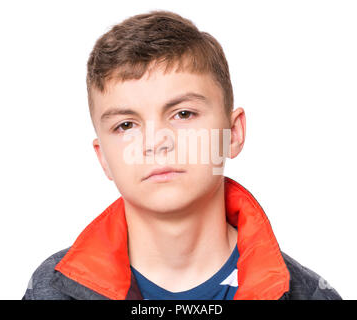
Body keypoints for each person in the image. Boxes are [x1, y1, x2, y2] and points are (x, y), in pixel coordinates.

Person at [22, 10, 342, 300]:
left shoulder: (309, 295)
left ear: (232, 133)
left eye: (184, 114)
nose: (156, 142)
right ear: (103, 157)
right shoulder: (52, 291)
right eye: (126, 125)